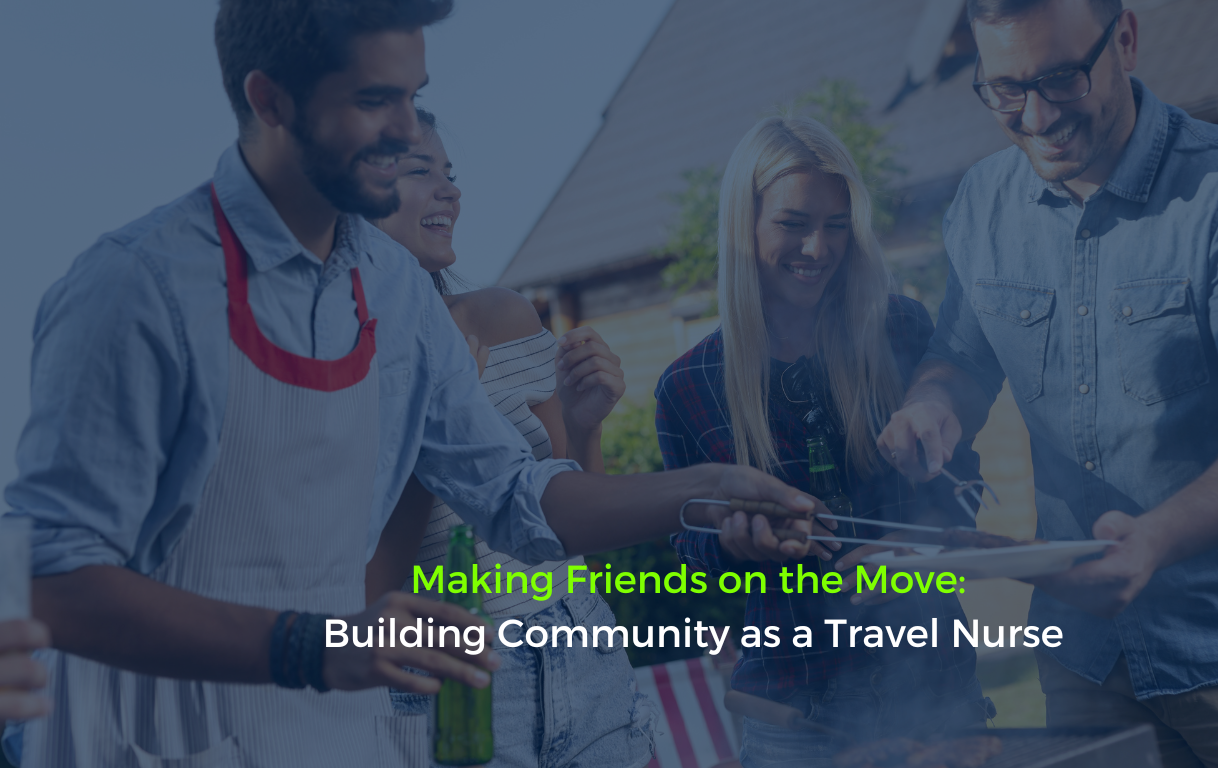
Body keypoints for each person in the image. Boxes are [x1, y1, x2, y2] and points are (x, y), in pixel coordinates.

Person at [4, 1, 818, 764]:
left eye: (412, 96)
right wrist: (320, 645)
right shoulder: (138, 288)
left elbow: (512, 494)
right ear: (270, 100)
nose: (405, 130)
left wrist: (703, 490)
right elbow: (51, 577)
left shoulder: (395, 289)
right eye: (374, 100)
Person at [877, 0, 1218, 765]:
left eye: (1061, 78)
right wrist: (931, 405)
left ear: (1126, 40)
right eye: (1006, 89)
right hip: (1087, 664)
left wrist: (1154, 540)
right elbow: (962, 357)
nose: (1037, 116)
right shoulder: (981, 204)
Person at [656, 115, 991, 768]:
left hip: (935, 687)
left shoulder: (901, 327)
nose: (818, 248)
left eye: (837, 226)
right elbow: (693, 560)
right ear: (744, 225)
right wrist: (732, 542)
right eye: (793, 224)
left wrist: (918, 544)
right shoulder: (689, 385)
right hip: (793, 717)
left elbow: (966, 490)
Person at [366, 108, 654, 768]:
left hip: (582, 650)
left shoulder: (504, 317)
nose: (451, 191)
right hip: (451, 684)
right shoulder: (331, 371)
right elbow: (365, 598)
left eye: (450, 173)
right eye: (421, 171)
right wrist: (435, 426)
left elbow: (579, 538)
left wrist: (584, 425)